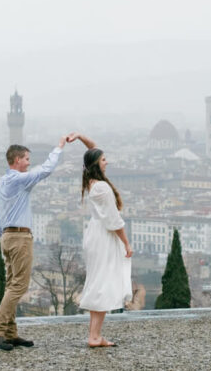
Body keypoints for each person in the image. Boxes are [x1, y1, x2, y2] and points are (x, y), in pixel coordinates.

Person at [0, 134, 71, 351]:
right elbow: (45, 171)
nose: (28, 162)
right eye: (26, 159)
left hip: (7, 236)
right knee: (19, 286)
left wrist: (3, 234)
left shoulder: (3, 181)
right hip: (19, 237)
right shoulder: (17, 179)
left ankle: (10, 333)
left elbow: (0, 211)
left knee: (11, 285)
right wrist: (58, 147)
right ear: (16, 160)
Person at [73, 132, 132, 348]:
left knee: (101, 282)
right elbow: (114, 220)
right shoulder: (102, 187)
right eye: (104, 159)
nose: (108, 161)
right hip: (104, 237)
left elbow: (93, 149)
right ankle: (94, 336)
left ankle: (95, 335)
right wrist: (126, 242)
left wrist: (80, 137)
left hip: (96, 234)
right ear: (97, 164)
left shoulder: (91, 181)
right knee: (102, 284)